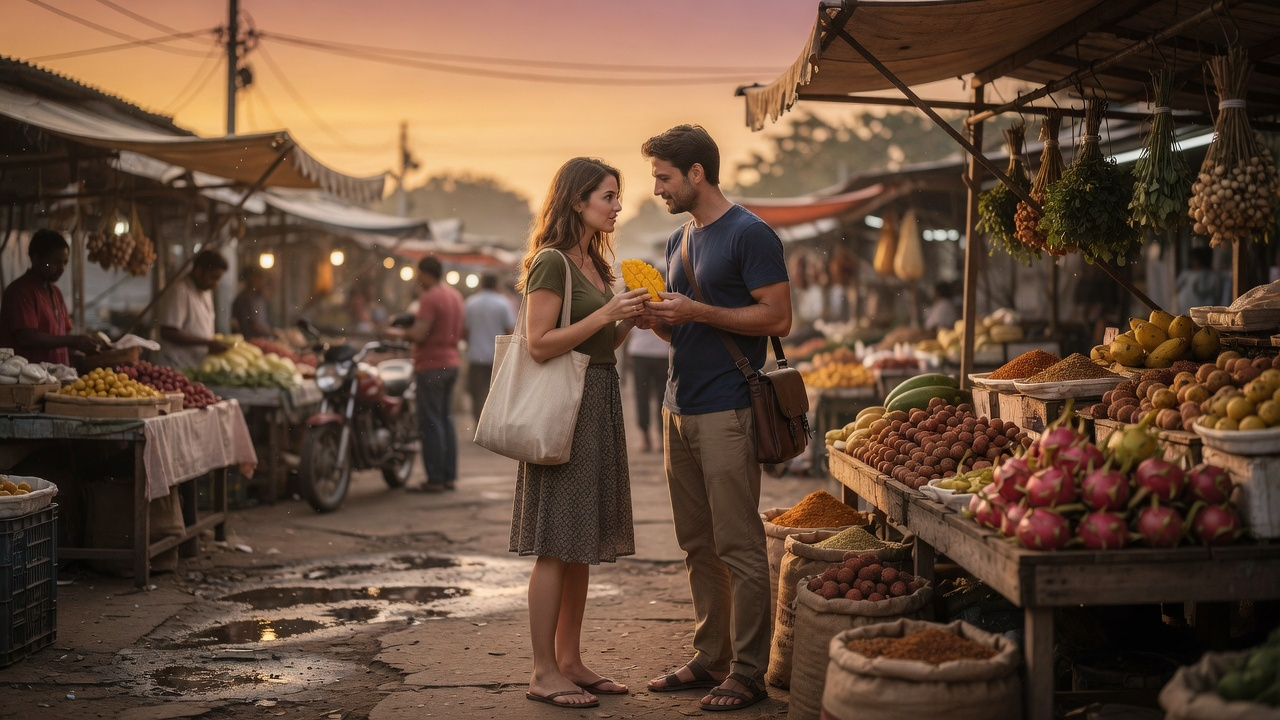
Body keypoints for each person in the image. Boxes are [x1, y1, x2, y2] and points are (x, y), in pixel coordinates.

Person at [638, 125, 790, 712]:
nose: (657, 188)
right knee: (697, 544)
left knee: (739, 545)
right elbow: (684, 330)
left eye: (664, 177)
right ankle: (711, 657)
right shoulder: (679, 238)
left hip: (729, 408)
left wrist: (697, 310)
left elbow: (778, 318)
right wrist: (658, 320)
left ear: (697, 173)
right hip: (679, 406)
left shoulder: (751, 233)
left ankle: (749, 672)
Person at [508, 157, 650, 709]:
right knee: (554, 544)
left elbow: (598, 344)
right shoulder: (552, 261)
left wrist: (627, 320)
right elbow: (540, 343)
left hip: (598, 401)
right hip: (565, 409)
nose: (617, 206)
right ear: (576, 200)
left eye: (617, 196)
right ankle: (543, 671)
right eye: (608, 196)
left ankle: (570, 660)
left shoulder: (595, 264)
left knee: (580, 543)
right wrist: (606, 314)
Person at [388, 256, 464, 493]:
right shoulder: (454, 295)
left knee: (431, 422)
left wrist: (395, 333)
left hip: (432, 365)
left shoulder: (430, 297)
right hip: (451, 363)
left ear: (423, 273)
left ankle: (435, 479)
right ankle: (448, 477)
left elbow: (419, 334)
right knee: (445, 420)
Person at [0, 229, 102, 365]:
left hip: (57, 374)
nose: (62, 268)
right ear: (36, 259)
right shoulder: (20, 292)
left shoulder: (56, 293)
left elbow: (64, 336)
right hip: (28, 376)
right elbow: (27, 338)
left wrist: (87, 348)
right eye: (55, 262)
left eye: (65, 262)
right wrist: (74, 341)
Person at [157, 249, 229, 369]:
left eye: (219, 279)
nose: (216, 283)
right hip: (176, 364)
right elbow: (168, 332)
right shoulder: (179, 290)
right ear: (198, 271)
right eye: (213, 277)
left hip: (195, 364)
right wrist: (207, 343)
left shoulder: (206, 292)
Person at [463, 273, 516, 423]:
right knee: (495, 393)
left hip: (476, 356)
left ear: (481, 284)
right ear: (496, 285)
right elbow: (510, 330)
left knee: (476, 394)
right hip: (497, 357)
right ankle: (491, 424)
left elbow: (465, 330)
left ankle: (478, 424)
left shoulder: (470, 303)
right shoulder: (503, 303)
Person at [626, 325, 669, 453]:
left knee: (662, 397)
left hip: (660, 353)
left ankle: (661, 436)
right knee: (643, 396)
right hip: (641, 352)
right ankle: (646, 435)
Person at [1177, 246, 1228, 314]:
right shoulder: (1186, 274)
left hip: (1206, 313)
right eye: (1192, 259)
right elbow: (1176, 289)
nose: (1193, 262)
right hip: (1187, 312)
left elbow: (1218, 294)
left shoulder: (1213, 276)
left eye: (1195, 259)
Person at [231, 266, 273, 340]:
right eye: (260, 278)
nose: (263, 282)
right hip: (250, 340)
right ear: (253, 279)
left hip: (263, 339)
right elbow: (252, 325)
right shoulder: (244, 299)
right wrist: (271, 332)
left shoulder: (260, 298)